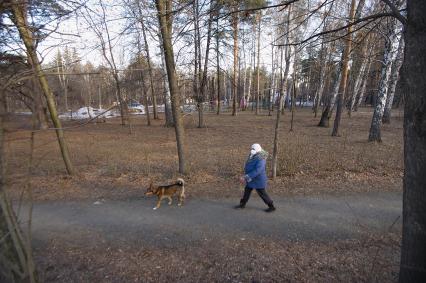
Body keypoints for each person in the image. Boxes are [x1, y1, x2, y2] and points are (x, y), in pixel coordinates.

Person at [235, 143, 276, 212]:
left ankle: (271, 206)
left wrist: (246, 177)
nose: (251, 150)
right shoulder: (253, 154)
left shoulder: (261, 159)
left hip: (258, 179)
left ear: (257, 150)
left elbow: (258, 170)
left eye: (253, 149)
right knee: (247, 191)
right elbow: (249, 162)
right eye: (251, 149)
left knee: (262, 193)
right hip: (251, 178)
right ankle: (242, 204)